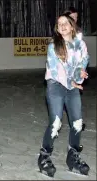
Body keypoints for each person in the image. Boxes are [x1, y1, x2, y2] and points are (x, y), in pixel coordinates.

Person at [37, 14, 90, 177]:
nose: (62, 26)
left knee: (77, 122)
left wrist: (80, 75)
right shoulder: (54, 45)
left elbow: (83, 62)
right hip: (56, 85)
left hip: (72, 86)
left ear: (72, 26)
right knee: (56, 121)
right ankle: (44, 156)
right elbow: (55, 71)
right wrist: (72, 82)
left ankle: (72, 156)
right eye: (59, 24)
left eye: (65, 23)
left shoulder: (80, 45)